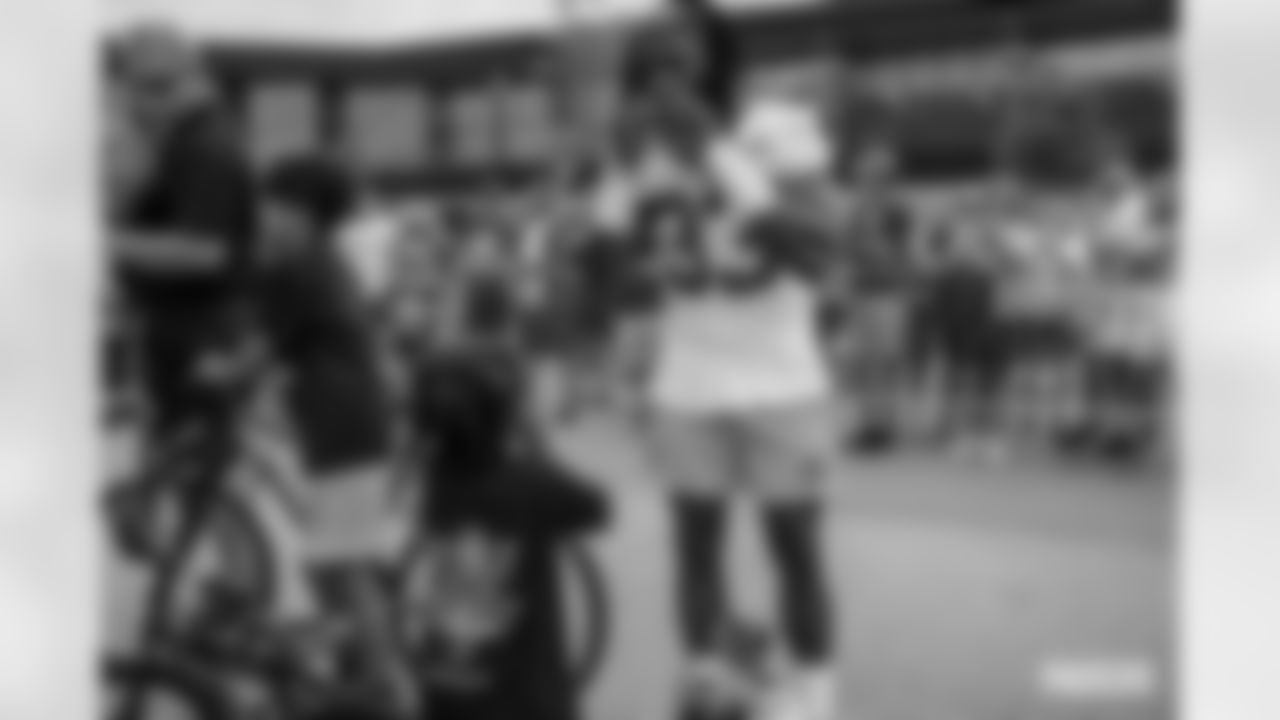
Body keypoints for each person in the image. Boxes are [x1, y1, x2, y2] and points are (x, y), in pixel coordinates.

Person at [612, 14, 842, 717]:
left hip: (781, 378)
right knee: (695, 544)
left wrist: (711, 149)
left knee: (793, 541)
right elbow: (618, 277)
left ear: (717, 57)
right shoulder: (637, 144)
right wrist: (610, 203)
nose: (665, 72)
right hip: (687, 380)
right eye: (651, 62)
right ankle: (707, 684)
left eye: (679, 55)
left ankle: (813, 693)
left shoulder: (779, 126)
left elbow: (816, 248)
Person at [252, 153, 419, 717]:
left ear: (304, 212)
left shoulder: (302, 267)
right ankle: (361, 676)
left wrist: (219, 375)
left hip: (346, 425)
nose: (265, 215)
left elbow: (259, 348)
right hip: (344, 422)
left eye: (274, 205)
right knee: (329, 563)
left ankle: (389, 691)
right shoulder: (317, 258)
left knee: (340, 564)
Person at [107, 23, 257, 558]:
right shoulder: (182, 140)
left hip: (200, 324)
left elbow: (204, 251)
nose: (139, 103)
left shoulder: (203, 146)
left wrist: (104, 240)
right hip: (185, 322)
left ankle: (230, 572)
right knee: (186, 459)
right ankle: (213, 566)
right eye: (136, 86)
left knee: (201, 464)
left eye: (156, 87)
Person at [410, 354, 609, 720]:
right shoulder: (530, 482)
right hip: (528, 695)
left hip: (451, 687)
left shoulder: (439, 486)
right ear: (503, 416)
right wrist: (536, 443)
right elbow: (596, 507)